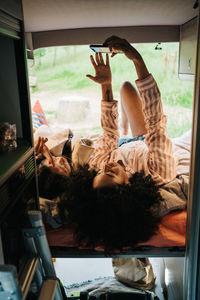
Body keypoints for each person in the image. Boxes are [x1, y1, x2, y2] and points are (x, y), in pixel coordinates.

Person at [36, 36, 180, 255]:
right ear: (127, 189)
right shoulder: (158, 173)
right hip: (143, 141)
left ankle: (125, 125)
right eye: (111, 174)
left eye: (102, 172)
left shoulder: (100, 165)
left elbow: (109, 133)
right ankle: (129, 128)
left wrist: (105, 84)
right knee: (130, 91)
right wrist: (137, 60)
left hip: (122, 144)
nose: (107, 166)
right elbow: (156, 123)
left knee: (122, 89)